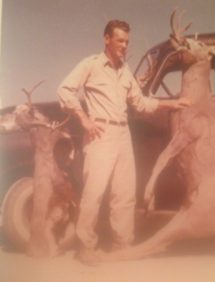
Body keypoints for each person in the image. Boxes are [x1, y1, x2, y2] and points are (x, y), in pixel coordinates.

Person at [57, 19, 189, 264]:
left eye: (127, 41)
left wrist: (170, 103)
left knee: (125, 194)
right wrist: (84, 120)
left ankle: (122, 245)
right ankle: (85, 247)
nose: (124, 45)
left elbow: (140, 103)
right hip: (101, 134)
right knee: (94, 192)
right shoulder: (91, 65)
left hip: (123, 135)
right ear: (107, 39)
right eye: (120, 40)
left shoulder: (125, 71)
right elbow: (64, 90)